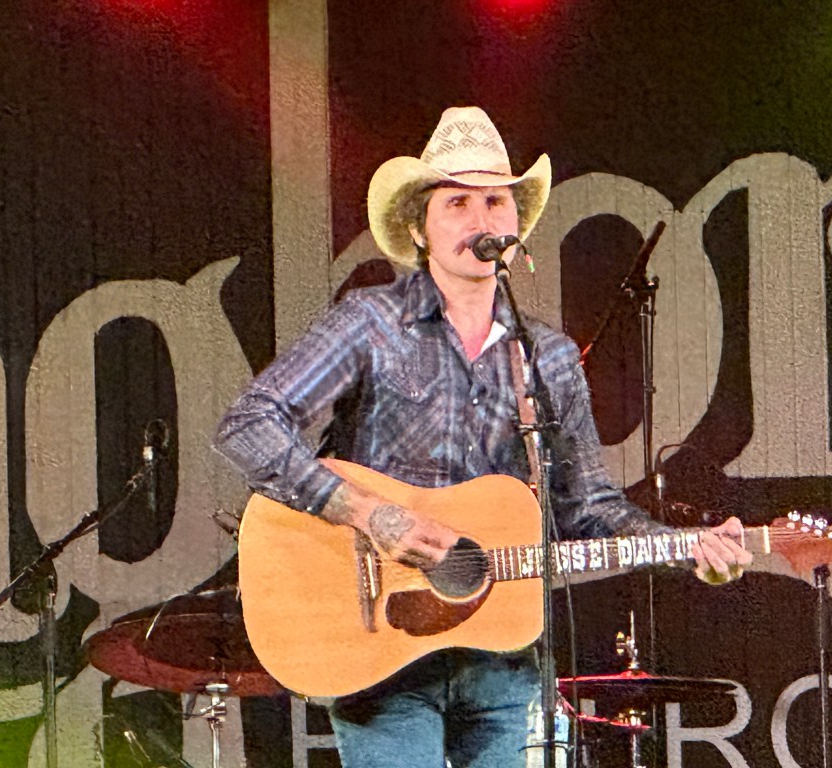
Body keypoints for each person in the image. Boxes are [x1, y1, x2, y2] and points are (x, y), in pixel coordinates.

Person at [215, 106, 751, 768]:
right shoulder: (371, 322)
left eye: (496, 201)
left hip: (503, 657)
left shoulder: (547, 357)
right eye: (457, 203)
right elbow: (250, 423)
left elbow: (587, 505)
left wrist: (686, 547)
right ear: (419, 228)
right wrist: (369, 513)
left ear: (516, 227)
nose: (481, 218)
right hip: (381, 652)